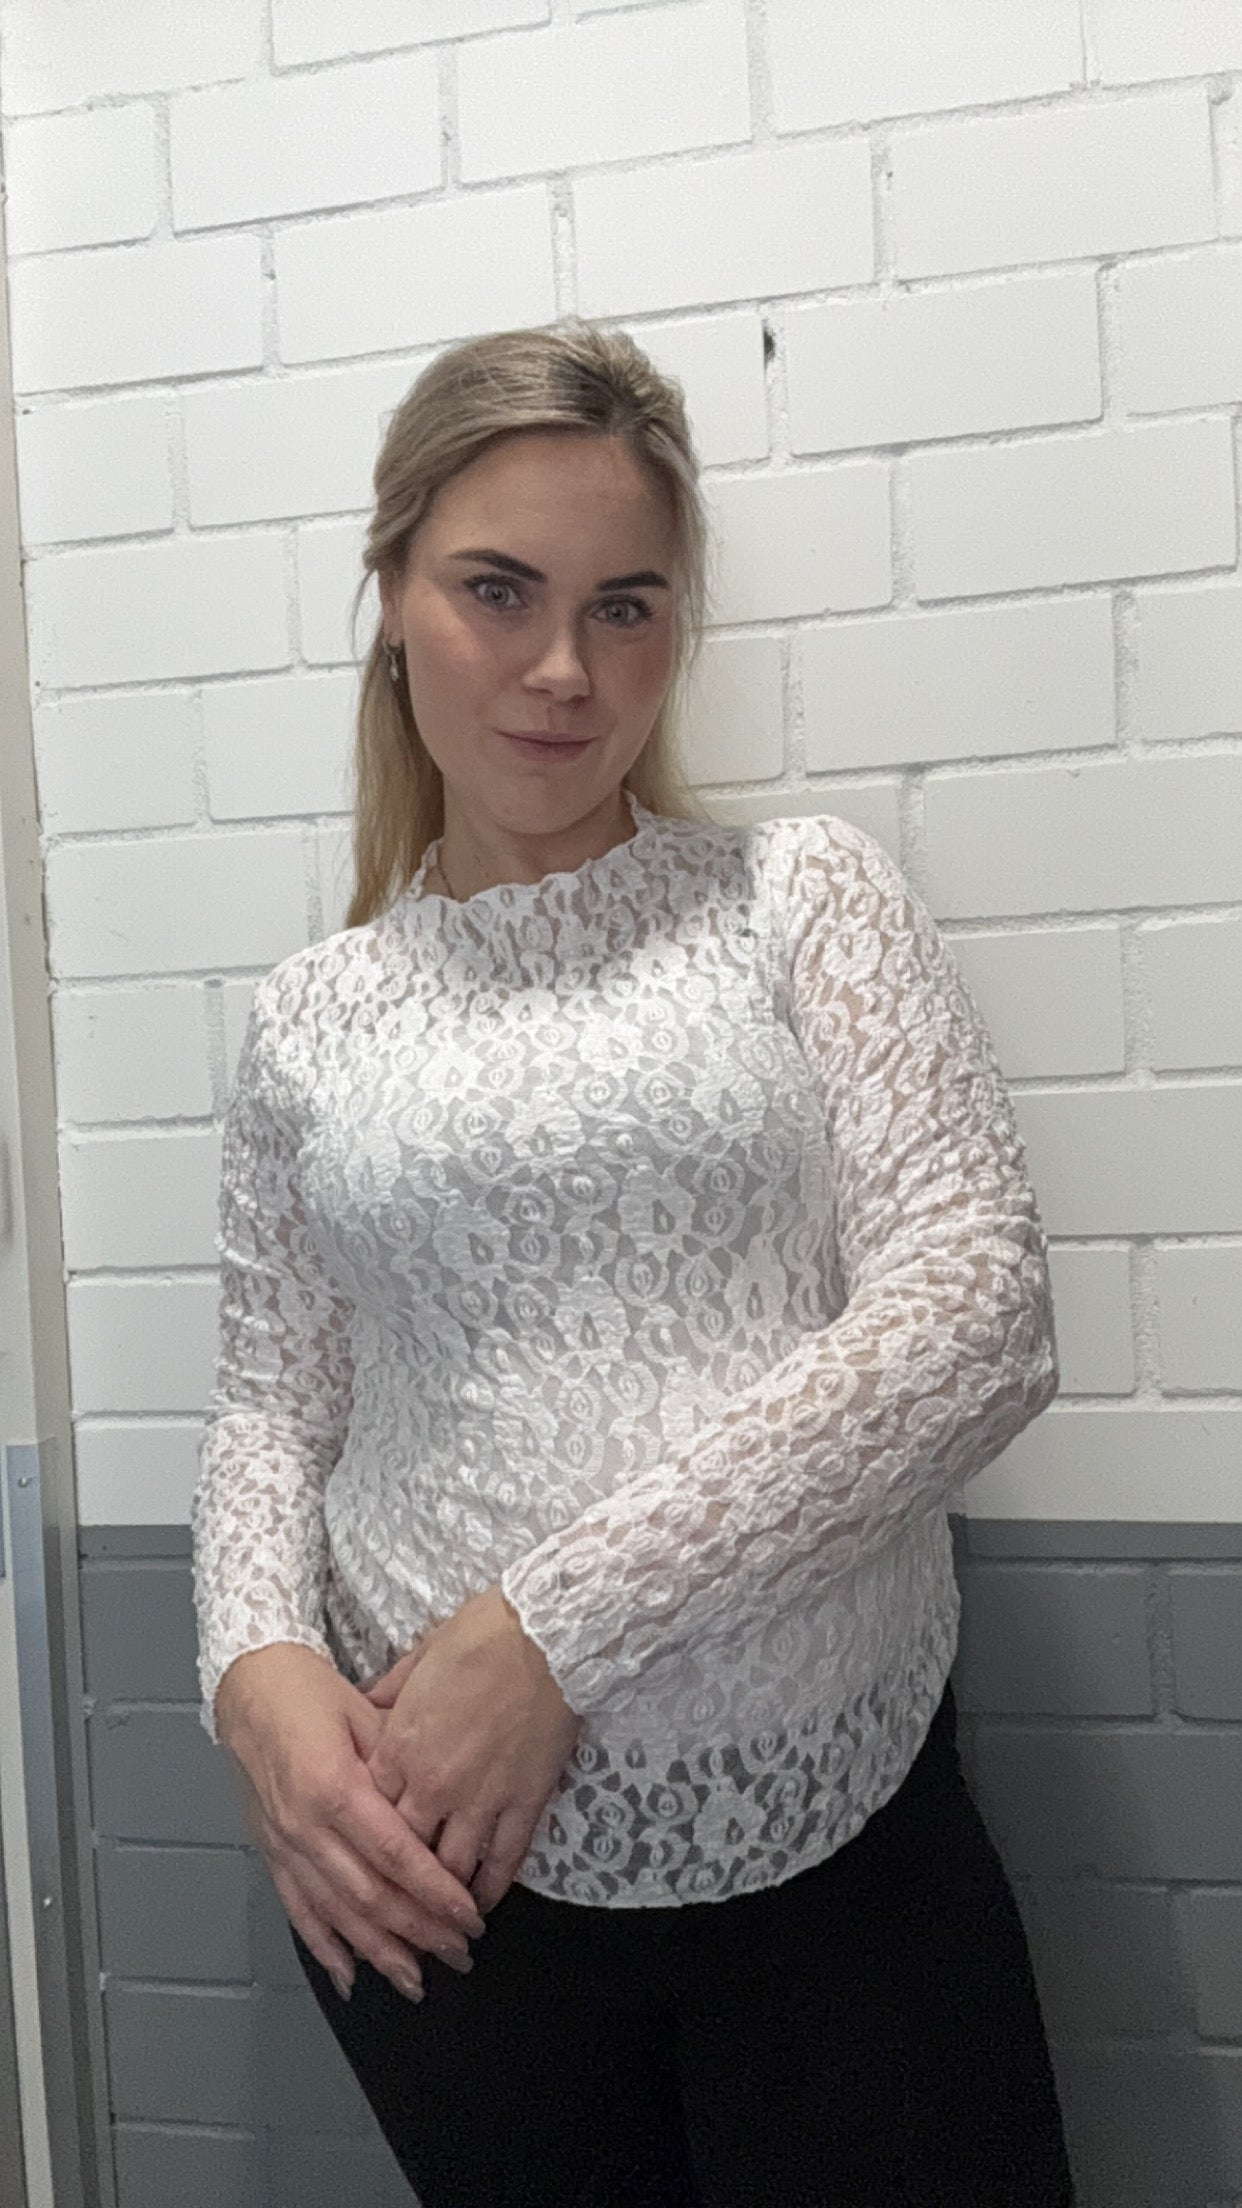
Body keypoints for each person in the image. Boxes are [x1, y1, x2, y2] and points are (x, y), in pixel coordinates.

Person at [191, 318, 1077, 2207]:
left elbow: (978, 1314)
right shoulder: (309, 1019)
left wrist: (551, 1635)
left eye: (626, 607)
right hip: (444, 1894)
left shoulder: (800, 898)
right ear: (392, 594)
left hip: (840, 1855)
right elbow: (271, 1401)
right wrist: (252, 1668)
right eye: (496, 590)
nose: (561, 669)